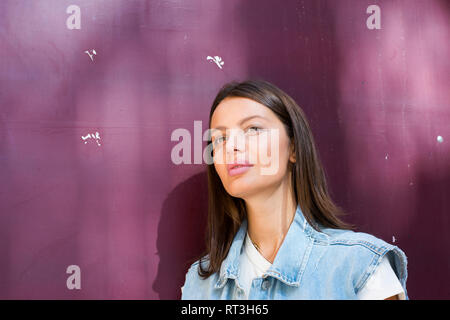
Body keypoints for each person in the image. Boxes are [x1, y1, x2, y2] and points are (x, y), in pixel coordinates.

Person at [181, 79, 408, 300]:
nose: (231, 146)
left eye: (253, 129)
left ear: (294, 148)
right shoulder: (200, 284)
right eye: (219, 139)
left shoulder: (358, 267)